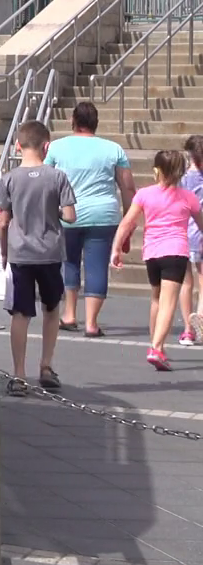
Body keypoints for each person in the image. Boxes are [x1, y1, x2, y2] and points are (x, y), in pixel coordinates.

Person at [0, 121, 77, 395]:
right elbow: (70, 216)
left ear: (18, 145)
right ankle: (46, 366)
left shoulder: (9, 179)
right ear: (47, 146)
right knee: (51, 309)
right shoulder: (57, 177)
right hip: (50, 252)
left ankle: (19, 374)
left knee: (20, 313)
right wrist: (55, 212)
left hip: (20, 253)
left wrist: (4, 251)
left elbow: (2, 222)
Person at [110, 149, 203, 370]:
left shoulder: (144, 194)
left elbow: (127, 223)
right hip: (176, 252)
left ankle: (155, 344)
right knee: (168, 303)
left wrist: (116, 249)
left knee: (156, 299)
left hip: (152, 253)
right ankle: (157, 347)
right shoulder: (188, 197)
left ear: (156, 170)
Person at [48, 102, 135, 336]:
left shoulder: (56, 147)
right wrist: (128, 222)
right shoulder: (114, 149)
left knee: (69, 263)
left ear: (73, 121)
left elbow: (46, 179)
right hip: (103, 215)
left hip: (67, 215)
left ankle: (69, 314)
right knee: (97, 266)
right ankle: (91, 323)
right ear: (96, 123)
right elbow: (127, 188)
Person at [179, 135, 203, 346]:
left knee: (186, 283)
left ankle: (188, 329)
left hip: (184, 232)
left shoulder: (183, 178)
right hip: (201, 232)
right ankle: (201, 316)